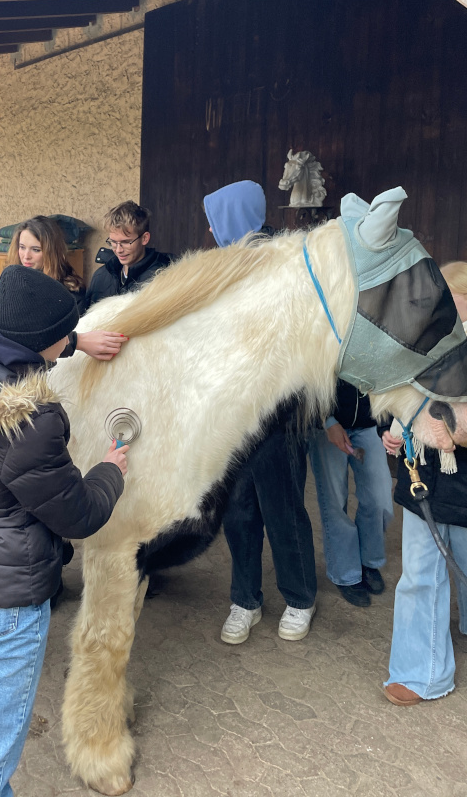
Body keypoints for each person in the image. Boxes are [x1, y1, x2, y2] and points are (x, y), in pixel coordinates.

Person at [0, 264, 127, 797]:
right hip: (9, 601)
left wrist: (75, 341)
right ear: (42, 343)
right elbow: (77, 514)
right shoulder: (30, 424)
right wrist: (110, 471)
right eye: (65, 333)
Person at [203, 181, 318, 643]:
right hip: (232, 416)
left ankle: (299, 597)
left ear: (232, 218)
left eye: (214, 219)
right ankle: (245, 599)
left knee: (283, 507)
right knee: (237, 508)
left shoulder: (284, 265)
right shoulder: (221, 266)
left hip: (277, 416)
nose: (209, 229)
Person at [383, 260, 467, 706]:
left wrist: (440, 424)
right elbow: (404, 402)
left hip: (462, 479)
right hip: (424, 479)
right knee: (420, 575)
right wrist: (402, 429)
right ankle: (423, 673)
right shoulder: (425, 349)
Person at [0, 215, 127, 362]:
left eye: (36, 250)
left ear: (52, 251)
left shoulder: (71, 291)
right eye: (22, 247)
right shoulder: (13, 282)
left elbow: (52, 337)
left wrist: (76, 341)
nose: (26, 256)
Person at [309, 380, 393, 606]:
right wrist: (326, 420)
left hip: (369, 424)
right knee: (334, 502)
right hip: (328, 427)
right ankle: (345, 573)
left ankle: (368, 560)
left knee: (380, 498)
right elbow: (308, 374)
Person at [85, 200, 174, 308]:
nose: (118, 250)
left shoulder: (166, 276)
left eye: (126, 242)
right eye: (113, 242)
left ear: (145, 238)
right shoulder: (100, 276)